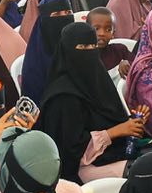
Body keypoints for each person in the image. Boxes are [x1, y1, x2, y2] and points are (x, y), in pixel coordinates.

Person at [38, 22, 136, 182]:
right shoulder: (63, 97)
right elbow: (70, 151)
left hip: (110, 155)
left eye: (93, 46)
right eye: (82, 47)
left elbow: (114, 116)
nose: (89, 52)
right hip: (78, 170)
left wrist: (132, 124)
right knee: (142, 173)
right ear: (67, 50)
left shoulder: (98, 80)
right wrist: (115, 132)